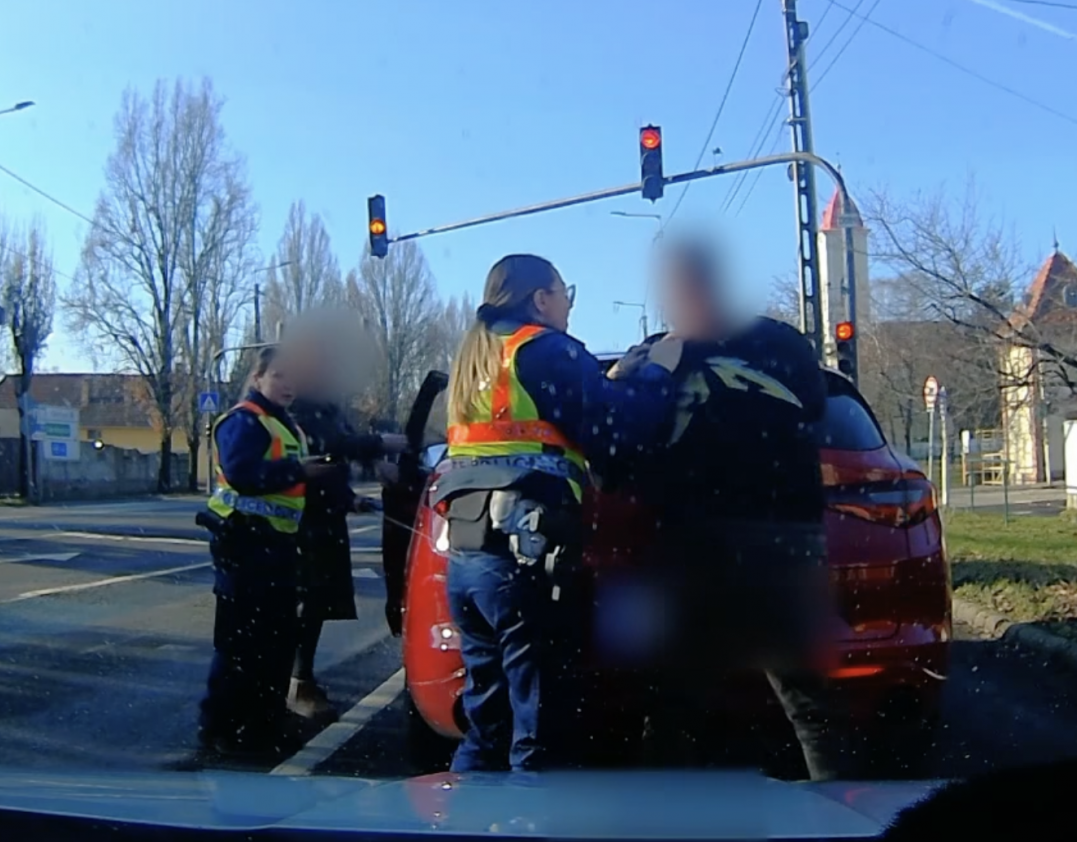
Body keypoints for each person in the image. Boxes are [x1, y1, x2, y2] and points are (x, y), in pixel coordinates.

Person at [430, 253, 684, 773]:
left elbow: (543, 420)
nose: (568, 302)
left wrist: (611, 377)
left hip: (469, 556)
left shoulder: (477, 358)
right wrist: (659, 371)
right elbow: (621, 428)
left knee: (488, 722)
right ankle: (533, 827)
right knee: (540, 731)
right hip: (526, 557)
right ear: (540, 299)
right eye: (564, 291)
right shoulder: (546, 348)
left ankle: (466, 826)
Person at [611, 237, 839, 781]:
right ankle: (842, 816)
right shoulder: (783, 344)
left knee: (674, 705)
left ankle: (668, 820)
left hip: (698, 544)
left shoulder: (656, 357)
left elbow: (616, 434)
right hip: (785, 539)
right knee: (810, 708)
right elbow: (816, 408)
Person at [196, 345, 341, 761]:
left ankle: (264, 723)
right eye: (279, 375)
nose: (289, 383)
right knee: (239, 645)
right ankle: (220, 729)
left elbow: (292, 487)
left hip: (275, 549)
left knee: (276, 644)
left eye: (293, 376)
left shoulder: (285, 426)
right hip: (243, 547)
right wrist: (300, 471)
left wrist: (338, 494)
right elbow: (243, 474)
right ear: (257, 378)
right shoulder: (245, 421)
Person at [286, 343, 407, 724]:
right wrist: (378, 445)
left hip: (323, 515)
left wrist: (353, 492)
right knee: (304, 604)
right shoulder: (295, 407)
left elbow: (334, 454)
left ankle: (298, 679)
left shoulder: (327, 406)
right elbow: (327, 448)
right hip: (300, 522)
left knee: (317, 602)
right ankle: (294, 682)